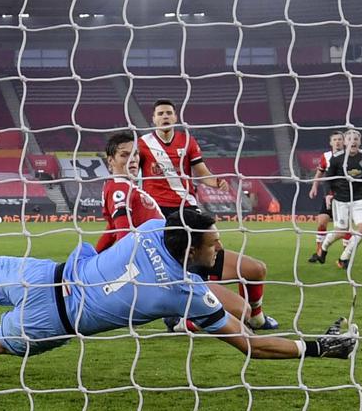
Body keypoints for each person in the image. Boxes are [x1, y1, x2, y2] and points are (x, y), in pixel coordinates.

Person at [0, 208, 356, 367]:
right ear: (194, 248)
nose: (219, 250)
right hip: (56, 319)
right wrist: (316, 348)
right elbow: (250, 345)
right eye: (214, 244)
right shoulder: (187, 295)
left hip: (41, 272)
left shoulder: (153, 230)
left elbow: (173, 228)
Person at [96, 131, 278, 331]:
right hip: (168, 267)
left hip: (183, 254)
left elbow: (111, 230)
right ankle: (179, 321)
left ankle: (255, 319)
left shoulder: (129, 187)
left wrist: (93, 258)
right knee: (240, 311)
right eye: (124, 155)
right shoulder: (118, 188)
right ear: (110, 160)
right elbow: (122, 233)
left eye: (135, 154)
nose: (132, 160)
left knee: (255, 270)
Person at [135, 99, 229, 216]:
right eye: (160, 114)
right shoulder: (142, 143)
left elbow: (202, 173)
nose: (165, 116)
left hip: (186, 203)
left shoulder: (188, 141)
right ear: (154, 119)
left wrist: (217, 182)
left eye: (169, 113)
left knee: (211, 233)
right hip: (155, 204)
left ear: (175, 118)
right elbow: (132, 171)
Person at [310, 129, 362, 270]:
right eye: (350, 139)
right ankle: (324, 247)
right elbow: (328, 179)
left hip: (359, 199)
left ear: (360, 141)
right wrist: (328, 194)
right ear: (345, 142)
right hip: (341, 200)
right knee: (341, 232)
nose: (353, 141)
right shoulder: (336, 159)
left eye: (356, 139)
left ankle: (343, 258)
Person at [308, 130, 345, 262]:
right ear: (331, 142)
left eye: (340, 139)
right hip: (329, 195)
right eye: (335, 140)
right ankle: (319, 252)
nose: (337, 142)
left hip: (344, 196)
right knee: (322, 221)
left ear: (344, 141)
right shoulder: (326, 156)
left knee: (344, 229)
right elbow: (319, 173)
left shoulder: (349, 156)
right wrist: (314, 186)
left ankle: (345, 257)